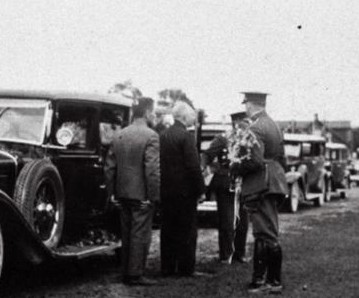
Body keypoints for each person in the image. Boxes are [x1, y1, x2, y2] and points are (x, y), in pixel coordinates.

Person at [230, 91, 288, 294]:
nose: (245, 107)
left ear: (250, 104)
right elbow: (281, 157)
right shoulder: (273, 125)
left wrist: (235, 166)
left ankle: (269, 282)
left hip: (260, 183)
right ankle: (264, 279)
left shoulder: (255, 127)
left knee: (264, 231)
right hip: (274, 180)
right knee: (267, 229)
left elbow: (254, 160)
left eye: (246, 104)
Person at [104, 97, 161, 286]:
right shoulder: (151, 136)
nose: (154, 115)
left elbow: (109, 167)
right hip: (141, 194)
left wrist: (112, 193)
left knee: (127, 233)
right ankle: (135, 274)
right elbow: (151, 170)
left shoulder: (119, 135)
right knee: (140, 235)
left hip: (122, 192)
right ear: (146, 113)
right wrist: (152, 196)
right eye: (153, 112)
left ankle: (126, 272)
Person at [159, 101, 205, 277]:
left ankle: (167, 267)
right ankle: (186, 268)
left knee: (168, 229)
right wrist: (200, 189)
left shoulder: (163, 135)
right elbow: (193, 166)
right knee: (187, 230)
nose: (193, 120)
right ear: (184, 117)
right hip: (185, 192)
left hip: (166, 189)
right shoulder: (186, 137)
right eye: (191, 117)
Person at [202, 110, 250, 264]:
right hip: (225, 183)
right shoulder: (222, 138)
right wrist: (205, 169)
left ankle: (239, 253)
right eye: (243, 123)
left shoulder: (250, 140)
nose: (245, 126)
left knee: (243, 221)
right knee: (227, 221)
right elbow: (207, 155)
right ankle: (225, 254)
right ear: (235, 124)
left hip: (243, 184)